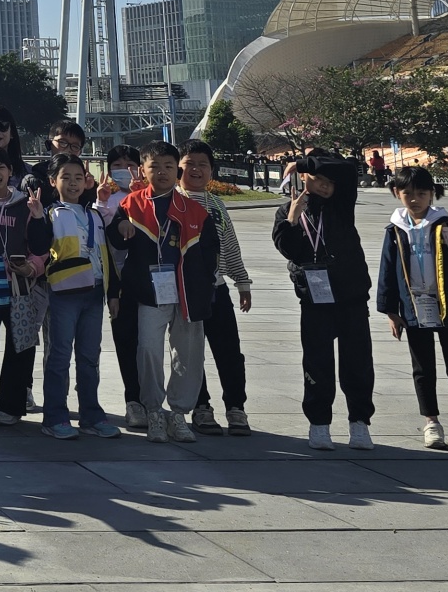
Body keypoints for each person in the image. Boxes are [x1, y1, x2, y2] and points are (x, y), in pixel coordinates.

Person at [110, 141, 214, 445]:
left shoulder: (195, 210)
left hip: (187, 295)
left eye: (169, 166)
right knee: (148, 350)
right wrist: (120, 228)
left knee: (188, 355)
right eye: (154, 166)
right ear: (142, 170)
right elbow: (114, 243)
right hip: (149, 294)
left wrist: (204, 288)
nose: (162, 172)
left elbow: (210, 254)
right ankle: (154, 410)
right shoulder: (131, 205)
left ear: (177, 170)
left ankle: (179, 414)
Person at [270, 151, 374, 450]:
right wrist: (292, 218)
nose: (326, 186)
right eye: (318, 180)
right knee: (317, 363)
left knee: (357, 363)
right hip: (314, 299)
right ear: (304, 179)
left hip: (351, 296)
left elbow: (347, 169)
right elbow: (289, 250)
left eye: (330, 181)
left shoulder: (341, 203)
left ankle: (359, 422)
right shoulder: (287, 210)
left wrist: (303, 162)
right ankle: (319, 424)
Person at [377, 166, 448, 452]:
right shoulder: (395, 230)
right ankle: (431, 422)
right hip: (414, 306)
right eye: (408, 193)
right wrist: (390, 310)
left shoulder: (447, 226)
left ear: (432, 194)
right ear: (396, 193)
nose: (415, 199)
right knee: (422, 368)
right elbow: (387, 270)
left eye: (422, 193)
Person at [38, 155, 122, 440]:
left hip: (94, 292)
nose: (73, 183)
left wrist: (113, 293)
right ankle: (55, 417)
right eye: (66, 177)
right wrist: (36, 217)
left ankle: (91, 416)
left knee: (89, 357)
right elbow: (38, 245)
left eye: (78, 177)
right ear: (53, 181)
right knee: (60, 355)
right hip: (64, 293)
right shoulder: (51, 213)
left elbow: (106, 254)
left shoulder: (95, 214)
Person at [180, 140, 253, 435]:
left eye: (203, 164)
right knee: (192, 353)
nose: (196, 170)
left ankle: (236, 408)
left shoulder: (218, 205)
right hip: (186, 292)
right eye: (190, 164)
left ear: (212, 170)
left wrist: (242, 281)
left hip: (217, 288)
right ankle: (201, 407)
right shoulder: (174, 202)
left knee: (229, 352)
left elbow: (230, 246)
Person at [0, 146, 47, 426]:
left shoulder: (25, 204)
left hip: (19, 285)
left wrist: (32, 267)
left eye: (1, 167)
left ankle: (10, 405)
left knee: (21, 345)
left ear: (10, 171)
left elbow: (41, 247)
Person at [96, 143, 146, 427]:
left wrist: (141, 195)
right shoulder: (107, 199)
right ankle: (134, 401)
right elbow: (104, 240)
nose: (124, 170)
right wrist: (102, 202)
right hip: (120, 281)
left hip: (151, 282)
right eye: (117, 165)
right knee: (126, 341)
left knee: (149, 346)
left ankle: (151, 399)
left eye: (130, 164)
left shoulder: (152, 195)